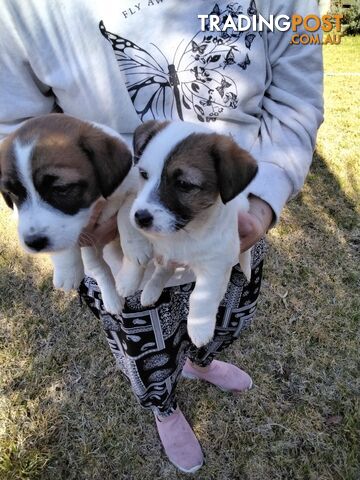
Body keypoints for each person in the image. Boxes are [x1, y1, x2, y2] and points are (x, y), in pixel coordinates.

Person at [0, 0, 323, 473]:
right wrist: (87, 226)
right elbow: (14, 132)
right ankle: (163, 405)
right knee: (141, 344)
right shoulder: (22, 9)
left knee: (220, 317)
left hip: (232, 227)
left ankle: (202, 361)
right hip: (112, 245)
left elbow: (296, 101)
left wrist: (262, 202)